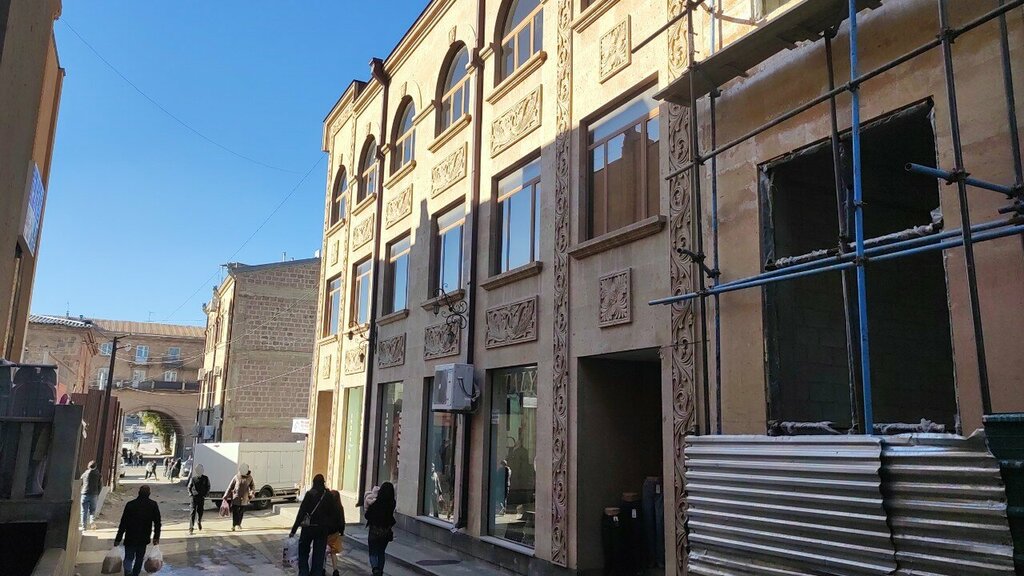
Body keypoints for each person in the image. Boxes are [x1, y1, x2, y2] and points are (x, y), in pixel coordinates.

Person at [289, 474, 338, 576]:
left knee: (303, 551)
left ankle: (304, 572)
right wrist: (330, 529)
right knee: (318, 556)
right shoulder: (328, 496)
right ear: (323, 483)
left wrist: (293, 530)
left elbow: (301, 512)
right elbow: (334, 514)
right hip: (322, 530)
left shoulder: (310, 494)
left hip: (308, 528)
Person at [114, 485, 161, 576]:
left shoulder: (130, 504)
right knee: (139, 558)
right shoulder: (153, 505)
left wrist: (118, 538)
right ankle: (135, 574)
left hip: (130, 536)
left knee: (128, 557)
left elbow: (123, 523)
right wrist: (156, 537)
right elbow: (157, 523)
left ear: (139, 493)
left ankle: (128, 573)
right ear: (149, 494)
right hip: (143, 537)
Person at [364, 482, 396, 576]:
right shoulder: (392, 504)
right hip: (385, 531)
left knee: (373, 551)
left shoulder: (376, 503)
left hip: (374, 531)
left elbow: (367, 515)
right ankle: (380, 571)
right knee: (381, 552)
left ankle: (375, 569)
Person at [224, 463, 255, 531]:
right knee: (235, 512)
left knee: (241, 512)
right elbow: (230, 486)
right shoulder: (236, 477)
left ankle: (239, 524)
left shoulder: (250, 478)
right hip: (236, 497)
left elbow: (252, 486)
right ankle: (233, 525)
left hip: (245, 498)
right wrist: (226, 495)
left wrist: (252, 492)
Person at [326, 489, 346, 576]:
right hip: (335, 533)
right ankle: (335, 570)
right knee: (333, 552)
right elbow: (342, 521)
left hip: (325, 532)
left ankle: (323, 568)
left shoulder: (326, 507)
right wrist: (341, 531)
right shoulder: (340, 507)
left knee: (324, 551)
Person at [187, 464, 211, 535]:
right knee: (192, 512)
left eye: (200, 470)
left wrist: (205, 494)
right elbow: (189, 487)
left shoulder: (205, 478)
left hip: (201, 497)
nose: (199, 471)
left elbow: (208, 486)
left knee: (200, 511)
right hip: (194, 498)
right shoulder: (193, 479)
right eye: (198, 470)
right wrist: (191, 494)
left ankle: (199, 521)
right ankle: (191, 528)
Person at [80, 460, 101, 530]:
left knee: (84, 511)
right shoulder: (98, 474)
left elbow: (80, 481)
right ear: (96, 466)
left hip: (84, 494)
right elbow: (101, 485)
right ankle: (91, 521)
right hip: (94, 494)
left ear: (88, 466)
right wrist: (98, 493)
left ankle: (84, 527)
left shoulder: (85, 474)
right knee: (92, 510)